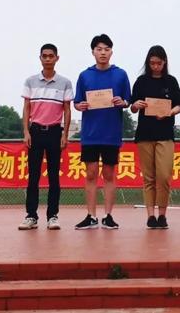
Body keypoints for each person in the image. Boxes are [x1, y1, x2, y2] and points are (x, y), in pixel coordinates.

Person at [73, 34, 131, 230]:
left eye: (106, 49)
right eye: (99, 49)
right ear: (93, 52)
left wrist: (122, 102)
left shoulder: (120, 74)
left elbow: (128, 100)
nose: (103, 53)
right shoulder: (85, 75)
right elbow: (77, 102)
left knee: (109, 173)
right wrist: (80, 106)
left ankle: (108, 215)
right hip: (90, 134)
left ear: (111, 52)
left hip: (111, 133)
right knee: (90, 173)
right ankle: (91, 216)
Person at [18, 43, 73, 230]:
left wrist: (65, 134)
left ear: (57, 58)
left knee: (53, 177)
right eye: (45, 56)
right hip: (35, 132)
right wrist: (26, 131)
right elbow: (26, 107)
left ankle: (53, 216)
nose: (48, 59)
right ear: (40, 58)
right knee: (33, 176)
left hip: (55, 132)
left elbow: (67, 109)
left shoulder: (64, 83)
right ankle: (31, 216)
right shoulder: (30, 81)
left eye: (51, 56)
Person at [130, 45, 180, 229]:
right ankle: (151, 216)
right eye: (152, 63)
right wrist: (136, 105)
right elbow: (132, 106)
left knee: (164, 175)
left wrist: (169, 112)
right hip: (145, 134)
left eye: (158, 63)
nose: (155, 66)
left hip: (165, 134)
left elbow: (179, 106)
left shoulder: (171, 81)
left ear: (164, 62)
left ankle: (163, 214)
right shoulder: (141, 81)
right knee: (149, 177)